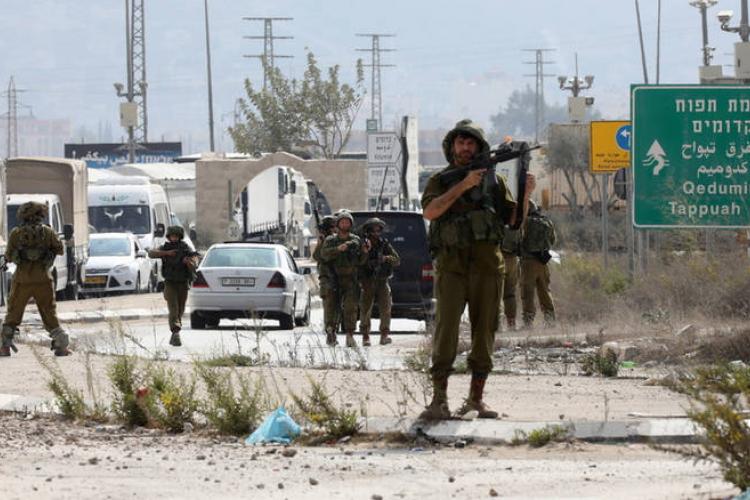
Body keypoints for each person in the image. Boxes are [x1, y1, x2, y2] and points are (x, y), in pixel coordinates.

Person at [420, 119, 534, 420]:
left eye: (471, 143)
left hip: (487, 267)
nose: (465, 147)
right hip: (452, 267)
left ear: (479, 148)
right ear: (451, 147)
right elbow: (431, 211)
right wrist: (463, 185)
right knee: (446, 331)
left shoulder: (494, 183)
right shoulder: (440, 180)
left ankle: (475, 399)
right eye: (461, 142)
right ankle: (438, 400)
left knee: (485, 332)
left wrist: (525, 194)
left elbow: (514, 222)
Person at [0, 202, 70, 357]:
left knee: (13, 313)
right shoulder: (48, 232)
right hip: (43, 280)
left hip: (22, 280)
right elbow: (60, 249)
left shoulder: (16, 233)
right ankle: (61, 346)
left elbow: (9, 256)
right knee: (49, 313)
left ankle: (4, 346)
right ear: (40, 215)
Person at [320, 211, 367, 348]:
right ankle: (331, 332)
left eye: (347, 222)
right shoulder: (331, 240)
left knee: (351, 308)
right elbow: (324, 254)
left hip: (350, 279)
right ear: (338, 224)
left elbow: (361, 260)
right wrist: (338, 249)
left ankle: (350, 335)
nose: (345, 224)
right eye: (342, 222)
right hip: (333, 278)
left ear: (351, 224)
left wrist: (364, 252)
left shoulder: (356, 240)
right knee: (331, 307)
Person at [148, 226, 199, 347]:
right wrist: (166, 253)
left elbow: (195, 264)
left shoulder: (186, 248)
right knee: (173, 308)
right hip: (170, 283)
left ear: (180, 237)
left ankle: (175, 332)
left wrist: (188, 262)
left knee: (180, 309)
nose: (174, 238)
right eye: (172, 236)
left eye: (176, 236)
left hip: (183, 283)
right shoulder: (165, 247)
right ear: (169, 236)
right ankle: (175, 331)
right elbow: (151, 253)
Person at [358, 217, 400, 346]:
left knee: (386, 308)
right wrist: (365, 253)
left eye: (378, 230)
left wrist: (385, 258)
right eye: (373, 230)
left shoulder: (384, 244)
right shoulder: (363, 244)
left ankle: (384, 335)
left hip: (382, 280)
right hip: (367, 281)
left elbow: (397, 260)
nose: (376, 233)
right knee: (365, 309)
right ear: (368, 231)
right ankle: (365, 336)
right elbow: (358, 261)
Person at [520, 200, 556, 328]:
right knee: (545, 291)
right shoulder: (547, 222)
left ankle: (528, 321)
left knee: (528, 292)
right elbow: (553, 240)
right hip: (543, 262)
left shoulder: (526, 222)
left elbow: (519, 238)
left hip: (528, 262)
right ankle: (550, 320)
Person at [312, 215, 339, 346]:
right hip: (327, 278)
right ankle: (330, 332)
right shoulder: (324, 240)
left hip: (340, 276)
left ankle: (334, 330)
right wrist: (320, 243)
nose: (335, 229)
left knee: (338, 307)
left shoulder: (338, 239)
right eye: (333, 227)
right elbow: (317, 256)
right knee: (329, 306)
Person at [500, 225, 522, 330]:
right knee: (510, 294)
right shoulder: (517, 224)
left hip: (500, 259)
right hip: (513, 259)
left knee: (497, 294)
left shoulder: (499, 223)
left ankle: (498, 323)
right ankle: (511, 323)